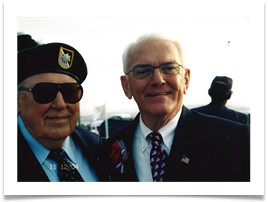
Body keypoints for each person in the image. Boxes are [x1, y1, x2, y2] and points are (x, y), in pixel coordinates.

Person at [98, 33, 250, 182]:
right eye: (143, 71)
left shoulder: (240, 141)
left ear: (186, 80)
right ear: (126, 86)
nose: (158, 80)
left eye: (169, 68)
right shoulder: (108, 150)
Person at [17, 42, 108, 182]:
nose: (60, 104)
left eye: (70, 92)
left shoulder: (95, 145)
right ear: (17, 101)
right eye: (45, 92)